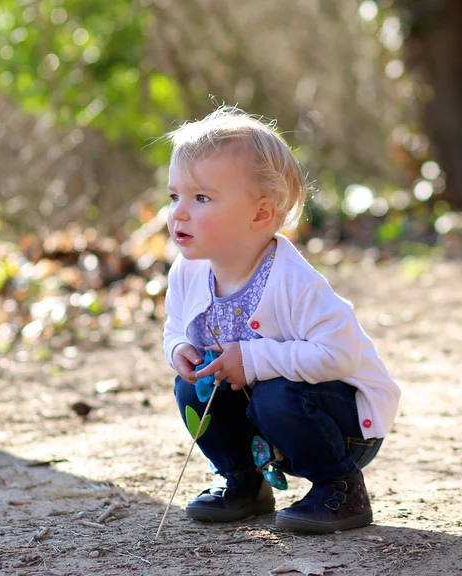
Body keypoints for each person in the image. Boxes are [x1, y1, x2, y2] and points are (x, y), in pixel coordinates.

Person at [163, 106, 401, 533]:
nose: (179, 212)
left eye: (200, 198)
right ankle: (243, 481)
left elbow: (340, 355)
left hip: (340, 422)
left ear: (260, 214)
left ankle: (340, 486)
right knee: (192, 387)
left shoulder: (295, 283)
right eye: (174, 196)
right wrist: (180, 347)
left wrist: (253, 361)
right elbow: (176, 324)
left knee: (277, 395)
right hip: (265, 419)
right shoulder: (188, 271)